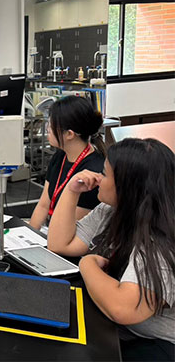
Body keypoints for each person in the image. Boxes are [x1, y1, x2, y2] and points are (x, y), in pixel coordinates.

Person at [47, 138, 175, 360]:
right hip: (122, 328)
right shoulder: (110, 210)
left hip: (157, 343)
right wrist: (71, 191)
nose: (98, 177)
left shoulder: (161, 240)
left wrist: (88, 263)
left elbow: (122, 308)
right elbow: (60, 244)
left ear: (128, 186)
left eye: (105, 173)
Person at [29, 95, 106, 231]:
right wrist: (28, 237)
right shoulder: (60, 156)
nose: (47, 129)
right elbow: (43, 205)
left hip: (69, 239)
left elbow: (73, 227)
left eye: (51, 126)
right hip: (51, 231)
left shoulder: (93, 173)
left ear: (70, 134)